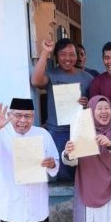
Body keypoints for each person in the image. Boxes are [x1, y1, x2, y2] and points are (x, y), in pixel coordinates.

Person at [31, 38, 93, 181]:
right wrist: (45, 52)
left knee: (82, 172)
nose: (67, 58)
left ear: (77, 56)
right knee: (61, 173)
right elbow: (36, 81)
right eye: (63, 54)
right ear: (56, 57)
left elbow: (96, 105)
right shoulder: (51, 74)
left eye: (72, 54)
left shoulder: (87, 78)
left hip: (80, 132)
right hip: (57, 133)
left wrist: (88, 103)